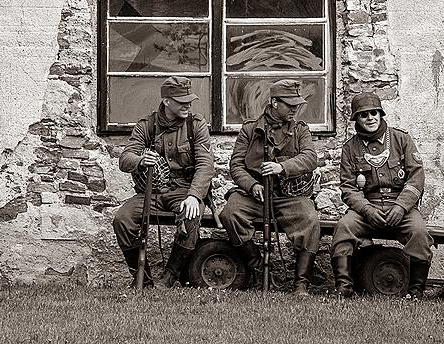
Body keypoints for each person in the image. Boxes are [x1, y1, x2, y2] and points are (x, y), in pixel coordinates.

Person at [220, 79, 321, 295]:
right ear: (275, 102)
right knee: (230, 213)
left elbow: (310, 158)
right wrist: (252, 185)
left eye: (297, 105)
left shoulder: (301, 130)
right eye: (290, 105)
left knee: (310, 219)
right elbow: (236, 165)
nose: (295, 109)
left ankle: (301, 282)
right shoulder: (249, 129)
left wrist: (281, 167)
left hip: (289, 195)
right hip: (255, 196)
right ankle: (256, 264)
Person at [113, 76, 214, 288]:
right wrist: (141, 160)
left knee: (191, 216)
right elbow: (125, 159)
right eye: (182, 101)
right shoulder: (147, 125)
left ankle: (169, 276)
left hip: (184, 190)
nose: (188, 104)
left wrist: (195, 196)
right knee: (122, 219)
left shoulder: (196, 125)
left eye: (189, 100)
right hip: (153, 191)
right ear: (167, 101)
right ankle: (144, 278)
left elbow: (206, 166)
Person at [331, 91, 433, 298]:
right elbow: (348, 187)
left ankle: (415, 292)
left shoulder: (401, 139)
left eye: (374, 113)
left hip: (401, 207)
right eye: (364, 114)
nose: (370, 118)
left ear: (381, 114)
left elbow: (416, 178)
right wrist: (367, 210)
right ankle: (344, 288)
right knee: (344, 228)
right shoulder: (350, 148)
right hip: (367, 207)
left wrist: (401, 207)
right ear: (356, 119)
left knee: (419, 233)